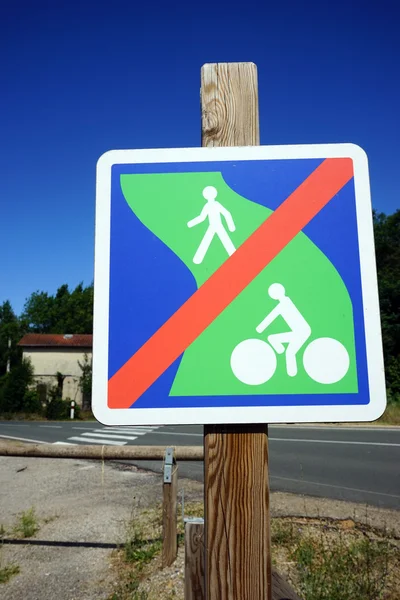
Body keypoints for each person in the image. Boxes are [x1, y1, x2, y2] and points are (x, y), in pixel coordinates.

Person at [256, 283, 312, 377]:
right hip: (300, 332)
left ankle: (292, 375)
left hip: (302, 332)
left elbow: (271, 316)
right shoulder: (284, 303)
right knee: (285, 348)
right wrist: (260, 328)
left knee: (288, 351)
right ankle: (281, 353)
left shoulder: (284, 304)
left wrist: (260, 329)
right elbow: (272, 316)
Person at [187, 186, 236, 264]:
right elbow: (202, 217)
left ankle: (236, 259)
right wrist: (191, 223)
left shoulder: (217, 204)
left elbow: (226, 213)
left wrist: (231, 226)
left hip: (218, 225)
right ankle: (197, 259)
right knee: (207, 240)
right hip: (212, 226)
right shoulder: (207, 206)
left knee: (225, 240)